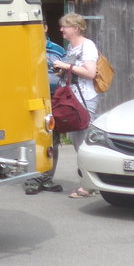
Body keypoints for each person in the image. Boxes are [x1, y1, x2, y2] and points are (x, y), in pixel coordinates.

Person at [51, 12, 100, 199]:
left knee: (83, 142)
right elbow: (74, 71)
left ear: (76, 28)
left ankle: (90, 185)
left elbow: (90, 73)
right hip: (72, 98)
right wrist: (61, 71)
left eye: (65, 26)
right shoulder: (71, 47)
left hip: (84, 97)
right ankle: (89, 182)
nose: (61, 29)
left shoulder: (87, 46)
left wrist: (66, 66)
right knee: (77, 141)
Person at [26, 24, 69, 194]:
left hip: (53, 98)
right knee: (34, 139)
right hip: (33, 98)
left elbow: (67, 72)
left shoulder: (58, 50)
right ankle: (32, 180)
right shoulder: (25, 47)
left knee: (53, 139)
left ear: (45, 28)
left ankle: (47, 179)